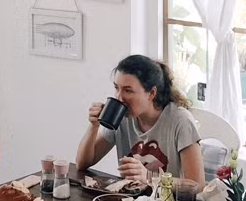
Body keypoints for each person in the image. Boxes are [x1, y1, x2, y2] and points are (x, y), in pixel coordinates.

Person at [76, 54, 206, 191]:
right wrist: (94, 126)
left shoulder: (180, 120)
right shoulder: (121, 117)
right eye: (116, 88)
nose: (119, 98)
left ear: (151, 93)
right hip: (129, 199)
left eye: (128, 90)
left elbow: (197, 184)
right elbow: (82, 163)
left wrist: (149, 177)